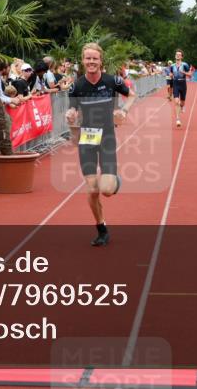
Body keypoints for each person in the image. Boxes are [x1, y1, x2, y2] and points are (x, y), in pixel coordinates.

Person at [65, 42, 136, 247]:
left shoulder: (112, 81)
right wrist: (70, 115)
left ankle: (114, 181)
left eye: (94, 58)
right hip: (87, 139)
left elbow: (131, 95)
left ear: (100, 60)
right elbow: (72, 110)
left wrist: (123, 111)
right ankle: (101, 228)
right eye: (88, 58)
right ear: (83, 60)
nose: (91, 62)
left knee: (105, 189)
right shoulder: (76, 85)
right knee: (92, 189)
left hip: (107, 137)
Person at [169, 49, 193, 128]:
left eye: (179, 54)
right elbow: (171, 73)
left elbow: (190, 75)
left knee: (182, 102)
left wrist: (184, 73)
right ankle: (178, 119)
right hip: (175, 83)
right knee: (176, 102)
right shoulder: (172, 66)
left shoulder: (185, 65)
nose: (177, 55)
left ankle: (182, 106)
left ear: (182, 57)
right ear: (175, 56)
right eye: (176, 54)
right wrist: (171, 75)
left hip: (183, 84)